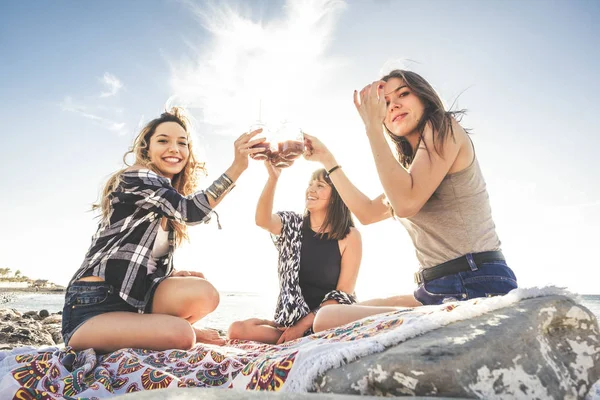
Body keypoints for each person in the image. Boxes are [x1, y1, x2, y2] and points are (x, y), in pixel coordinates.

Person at [303, 69, 518, 332]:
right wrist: (328, 161)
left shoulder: (444, 127)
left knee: (326, 320)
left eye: (403, 94)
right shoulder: (413, 173)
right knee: (332, 313)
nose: (393, 105)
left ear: (424, 99)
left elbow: (406, 204)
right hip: (437, 287)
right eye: (385, 103)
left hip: (476, 282)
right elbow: (368, 214)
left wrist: (372, 128)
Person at [61, 107, 266, 353]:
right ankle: (173, 330)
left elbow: (137, 257)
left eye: (183, 143)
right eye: (163, 141)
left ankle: (158, 330)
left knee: (205, 293)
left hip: (135, 302)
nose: (175, 149)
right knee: (182, 336)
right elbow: (191, 211)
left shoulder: (163, 196)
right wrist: (238, 166)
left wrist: (169, 274)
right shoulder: (135, 177)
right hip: (92, 306)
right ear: (146, 148)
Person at [227, 163, 362, 344]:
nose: (311, 189)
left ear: (335, 197)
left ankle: (302, 338)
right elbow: (262, 220)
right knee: (236, 329)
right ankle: (294, 337)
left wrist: (302, 326)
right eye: (310, 184)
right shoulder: (292, 224)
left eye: (320, 185)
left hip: (330, 322)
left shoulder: (350, 236)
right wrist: (273, 178)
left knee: (323, 326)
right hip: (292, 320)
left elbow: (343, 294)